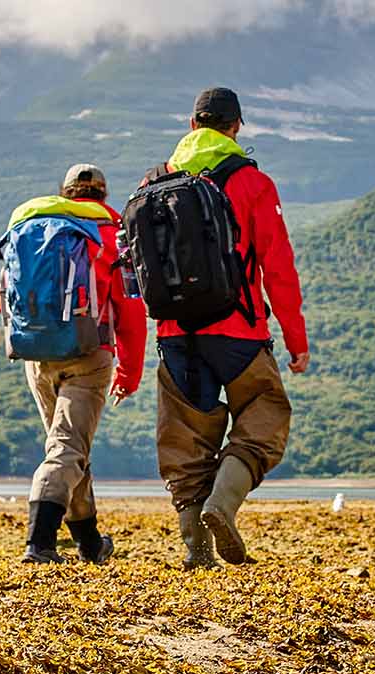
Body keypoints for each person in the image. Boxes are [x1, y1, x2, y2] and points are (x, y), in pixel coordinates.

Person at [147, 87, 309, 569]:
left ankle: (197, 551)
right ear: (236, 127)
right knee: (265, 420)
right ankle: (223, 503)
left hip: (175, 334)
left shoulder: (154, 182)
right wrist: (296, 342)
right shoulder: (252, 183)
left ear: (192, 124)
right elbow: (278, 268)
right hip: (239, 330)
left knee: (185, 443)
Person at [0, 164, 147, 564]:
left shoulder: (30, 227)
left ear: (64, 193)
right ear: (102, 195)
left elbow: (0, 301)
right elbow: (130, 309)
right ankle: (39, 543)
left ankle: (89, 543)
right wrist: (129, 373)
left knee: (68, 446)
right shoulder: (112, 233)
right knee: (67, 448)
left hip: (36, 355)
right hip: (88, 355)